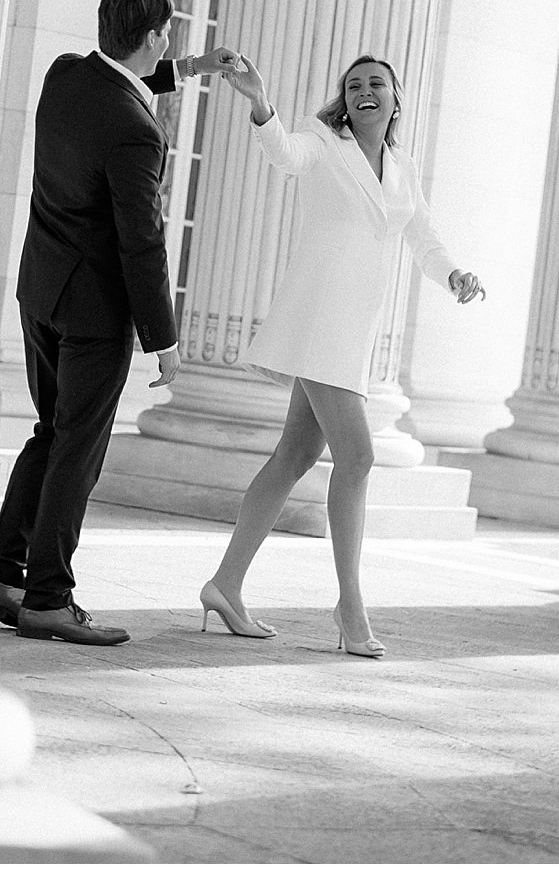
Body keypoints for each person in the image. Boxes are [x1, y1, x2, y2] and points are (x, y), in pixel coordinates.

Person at [0, 0, 235, 646]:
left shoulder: (65, 77)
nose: (167, 43)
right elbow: (140, 240)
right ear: (154, 37)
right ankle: (49, 599)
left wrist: (194, 69)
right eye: (167, 35)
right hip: (94, 313)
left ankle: (3, 576)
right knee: (78, 452)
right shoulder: (136, 132)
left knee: (48, 435)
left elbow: (115, 82)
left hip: (41, 292)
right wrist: (164, 339)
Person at [196, 51, 482, 659]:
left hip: (353, 330)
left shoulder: (402, 167)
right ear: (344, 99)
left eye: (377, 83)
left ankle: (224, 584)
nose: (364, 91)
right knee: (358, 456)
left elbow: (423, 237)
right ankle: (350, 604)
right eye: (354, 85)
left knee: (294, 455)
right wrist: (259, 102)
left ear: (396, 97)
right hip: (318, 320)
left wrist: (454, 273)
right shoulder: (322, 140)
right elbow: (284, 153)